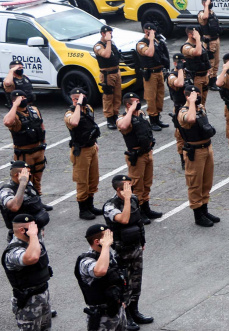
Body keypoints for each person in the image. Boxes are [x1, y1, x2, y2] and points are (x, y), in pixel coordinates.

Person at [102, 176, 153, 327]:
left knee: (136, 283)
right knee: (125, 285)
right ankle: (127, 316)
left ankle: (135, 312)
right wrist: (126, 200)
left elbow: (138, 222)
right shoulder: (110, 206)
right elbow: (124, 219)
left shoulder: (134, 199)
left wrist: (142, 241)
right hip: (121, 252)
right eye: (127, 187)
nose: (131, 189)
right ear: (119, 190)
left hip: (135, 248)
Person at [116, 93, 161, 226]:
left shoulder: (140, 114)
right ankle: (137, 212)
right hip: (136, 156)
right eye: (135, 102)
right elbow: (123, 127)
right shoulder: (123, 117)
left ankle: (146, 208)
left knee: (147, 183)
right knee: (137, 185)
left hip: (147, 153)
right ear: (128, 104)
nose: (138, 103)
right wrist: (130, 110)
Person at [177, 87, 218, 228]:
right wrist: (192, 103)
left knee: (207, 182)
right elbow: (191, 119)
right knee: (195, 183)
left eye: (199, 94)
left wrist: (196, 103)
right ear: (188, 96)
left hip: (207, 147)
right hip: (195, 152)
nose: (198, 97)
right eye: (195, 95)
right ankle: (198, 214)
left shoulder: (200, 107)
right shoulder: (183, 112)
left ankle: (205, 210)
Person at [75, 224, 129, 330]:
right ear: (97, 242)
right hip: (102, 316)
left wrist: (121, 299)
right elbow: (101, 271)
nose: (110, 239)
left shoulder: (107, 253)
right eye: (107, 237)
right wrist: (105, 246)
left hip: (116, 308)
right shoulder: (85, 261)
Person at [3, 214, 52, 331]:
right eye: (32, 228)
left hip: (43, 296)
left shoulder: (32, 241)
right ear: (22, 230)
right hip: (28, 303)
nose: (36, 230)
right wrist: (34, 235)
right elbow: (32, 258)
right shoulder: (13, 251)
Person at [65, 88, 103, 220]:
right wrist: (78, 105)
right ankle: (83, 209)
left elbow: (90, 126)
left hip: (91, 147)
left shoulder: (89, 109)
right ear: (73, 99)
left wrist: (95, 141)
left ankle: (90, 205)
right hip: (80, 151)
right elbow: (74, 122)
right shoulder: (70, 113)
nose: (84, 99)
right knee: (82, 181)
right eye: (79, 97)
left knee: (93, 179)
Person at [4, 91, 49, 202]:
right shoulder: (14, 114)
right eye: (21, 98)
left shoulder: (33, 109)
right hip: (24, 153)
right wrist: (14, 105)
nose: (24, 99)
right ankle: (25, 203)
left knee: (37, 179)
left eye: (24, 97)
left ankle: (38, 202)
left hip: (38, 150)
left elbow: (40, 125)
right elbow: (7, 122)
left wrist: (43, 142)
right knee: (24, 180)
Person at [0, 162, 48, 242]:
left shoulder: (28, 183)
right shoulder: (6, 190)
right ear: (16, 175)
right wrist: (22, 183)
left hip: (35, 232)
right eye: (26, 173)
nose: (29, 175)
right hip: (20, 237)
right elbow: (14, 206)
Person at [135, 24, 168, 131]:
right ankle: (153, 121)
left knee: (159, 96)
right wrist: (151, 40)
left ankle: (158, 118)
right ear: (146, 32)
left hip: (159, 72)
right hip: (150, 74)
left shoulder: (157, 41)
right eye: (151, 31)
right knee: (151, 97)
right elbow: (150, 53)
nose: (154, 32)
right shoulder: (141, 44)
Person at [95, 25, 121, 130]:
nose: (111, 35)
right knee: (108, 97)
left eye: (111, 33)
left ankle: (115, 115)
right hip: (107, 74)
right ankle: (110, 119)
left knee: (117, 96)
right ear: (103, 34)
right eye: (109, 33)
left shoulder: (112, 43)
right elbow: (106, 55)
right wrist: (108, 41)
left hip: (116, 72)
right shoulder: (98, 46)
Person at [180, 26, 210, 104]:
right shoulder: (186, 47)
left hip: (204, 76)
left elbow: (204, 57)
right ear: (190, 35)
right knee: (196, 101)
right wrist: (197, 39)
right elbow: (198, 53)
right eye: (196, 34)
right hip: (196, 78)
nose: (199, 36)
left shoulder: (199, 43)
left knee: (203, 101)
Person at [197, 0, 221, 90]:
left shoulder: (212, 13)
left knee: (216, 62)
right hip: (209, 41)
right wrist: (206, 5)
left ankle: (213, 80)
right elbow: (205, 17)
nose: (211, 3)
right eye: (209, 2)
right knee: (210, 62)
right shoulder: (202, 13)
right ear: (204, 3)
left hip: (216, 39)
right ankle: (209, 82)